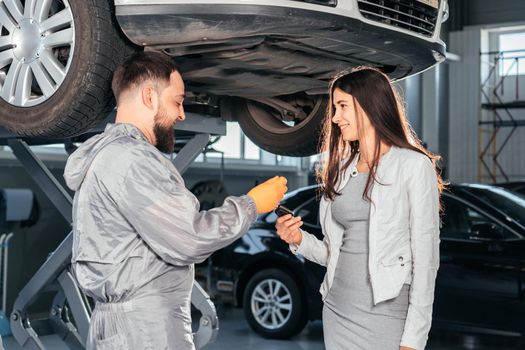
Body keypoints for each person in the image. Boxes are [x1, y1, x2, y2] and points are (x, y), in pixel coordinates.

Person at [63, 51, 287, 350]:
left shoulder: (107, 157)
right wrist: (252, 204)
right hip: (146, 331)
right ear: (149, 97)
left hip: (121, 327)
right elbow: (190, 237)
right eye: (177, 101)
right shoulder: (132, 159)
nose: (181, 114)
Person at [275, 67, 444, 350]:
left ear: (369, 105)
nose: (335, 117)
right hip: (338, 308)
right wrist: (298, 240)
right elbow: (336, 254)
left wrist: (414, 338)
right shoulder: (341, 171)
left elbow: (427, 260)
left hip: (386, 312)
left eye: (342, 106)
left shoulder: (413, 166)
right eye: (335, 107)